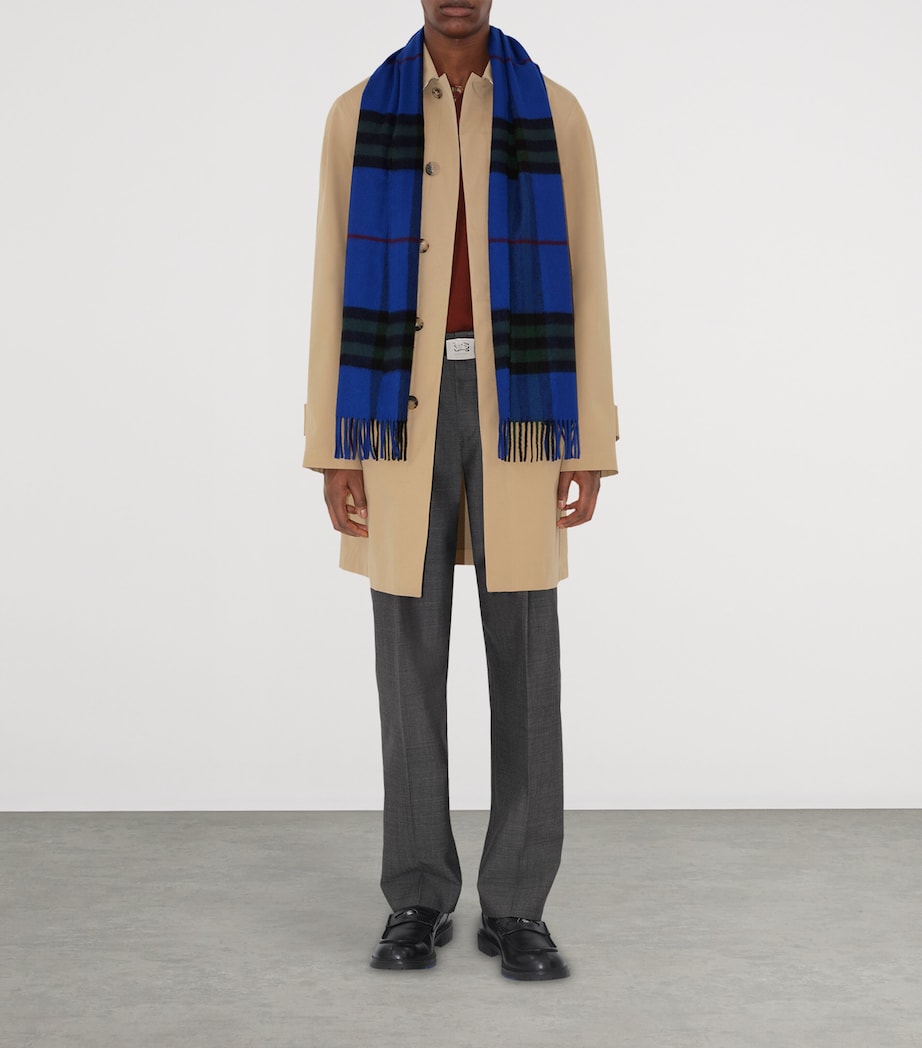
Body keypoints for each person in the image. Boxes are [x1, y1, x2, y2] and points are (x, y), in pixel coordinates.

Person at [301, 0, 619, 981]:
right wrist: (333, 446)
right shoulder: (359, 114)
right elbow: (330, 280)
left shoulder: (553, 112)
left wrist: (588, 438)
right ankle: (417, 894)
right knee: (407, 655)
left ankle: (517, 905)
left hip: (520, 402)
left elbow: (587, 277)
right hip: (395, 410)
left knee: (526, 654)